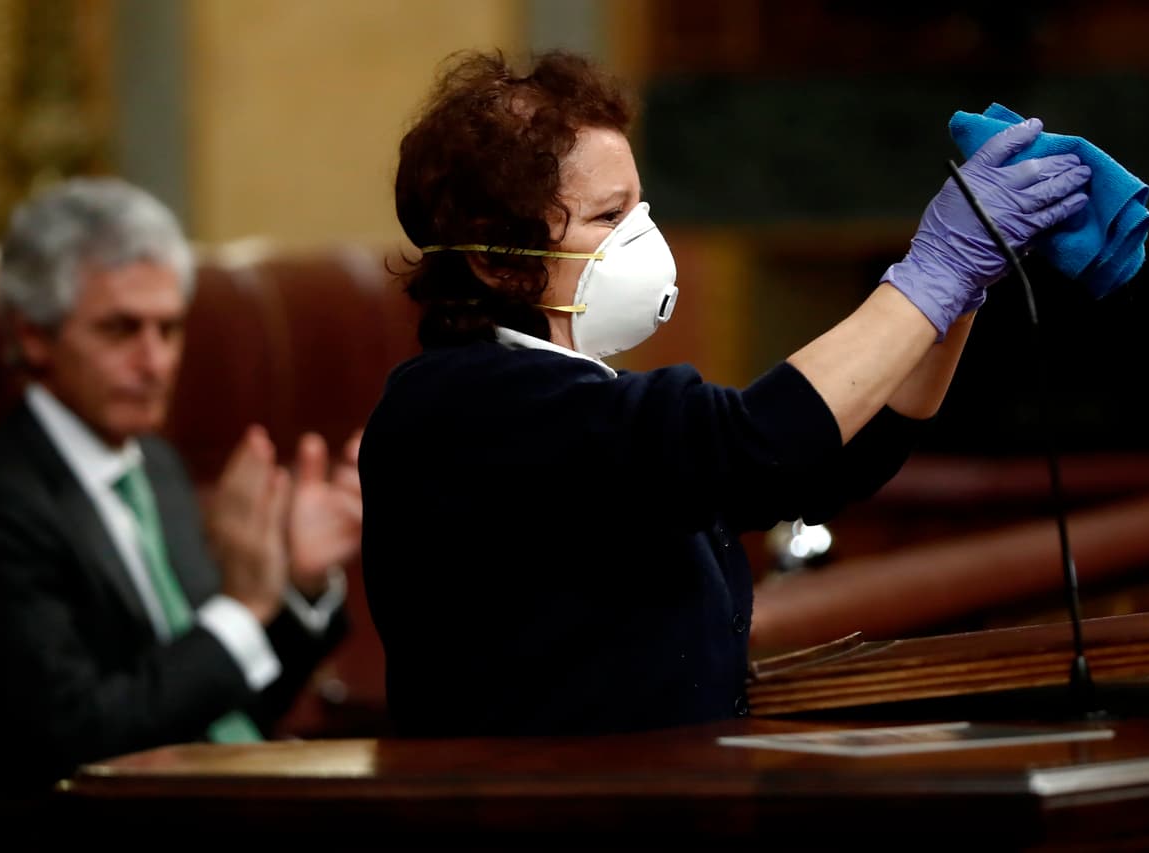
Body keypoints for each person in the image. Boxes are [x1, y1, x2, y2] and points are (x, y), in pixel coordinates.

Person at [357, 49, 1091, 738]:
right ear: (493, 259)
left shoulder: (573, 392)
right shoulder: (462, 404)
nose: (641, 238)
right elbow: (754, 445)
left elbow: (832, 457)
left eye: (639, 208)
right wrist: (935, 269)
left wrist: (960, 291)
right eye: (609, 217)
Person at [0, 177, 363, 783]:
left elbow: (220, 705)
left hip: (224, 798)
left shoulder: (156, 467)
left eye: (169, 329)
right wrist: (245, 608)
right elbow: (77, 737)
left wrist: (298, 583)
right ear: (34, 335)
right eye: (121, 330)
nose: (156, 362)